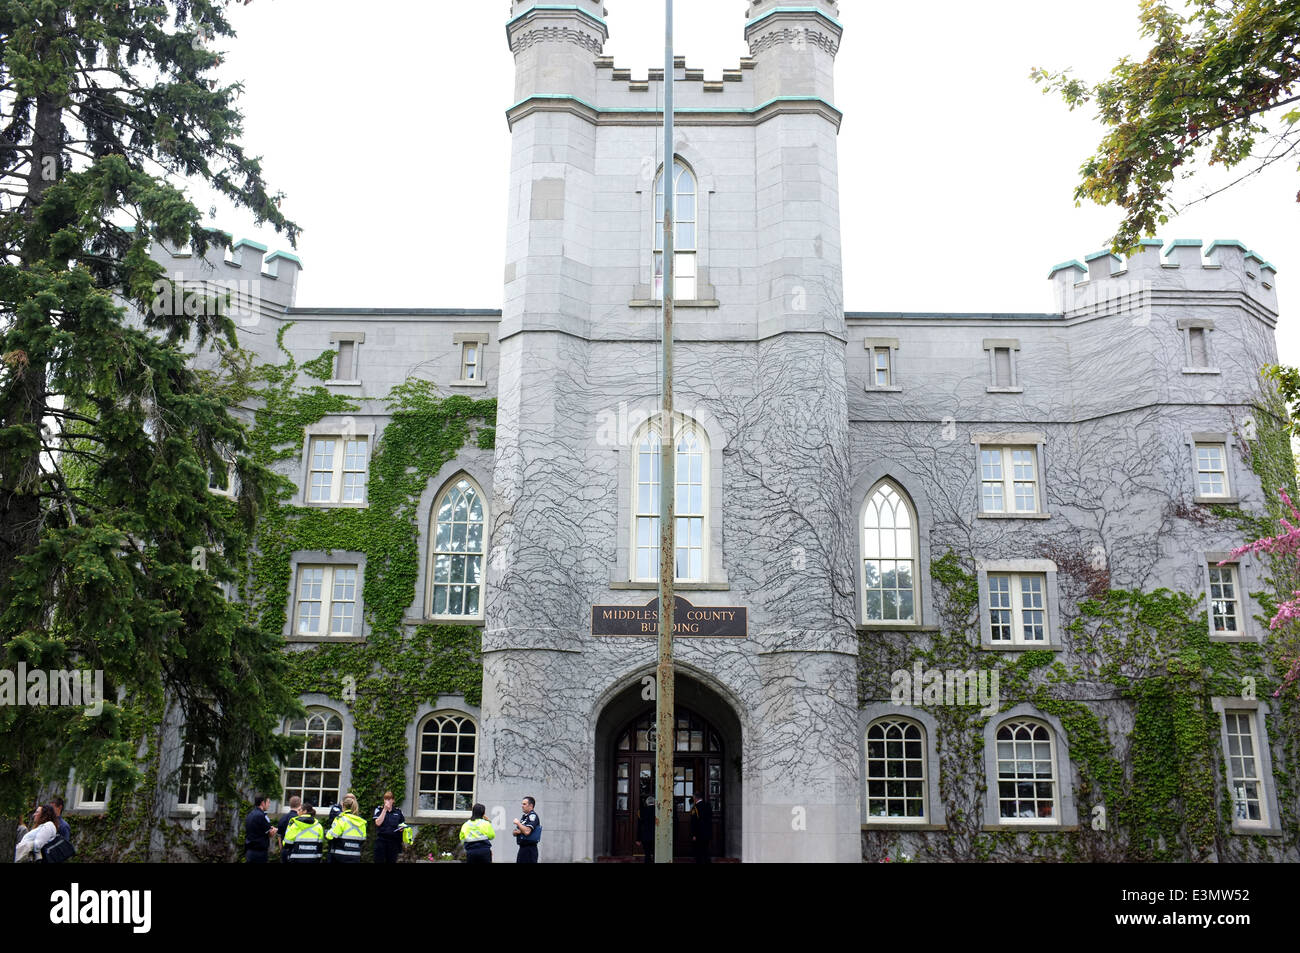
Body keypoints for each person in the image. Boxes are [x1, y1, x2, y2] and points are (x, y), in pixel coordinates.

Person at [325, 793, 367, 863]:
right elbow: (363, 839)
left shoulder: (341, 819)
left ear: (343, 806)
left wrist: (326, 833)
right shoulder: (362, 822)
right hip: (355, 856)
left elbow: (331, 835)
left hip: (340, 855)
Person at [371, 790, 405, 864]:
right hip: (381, 841)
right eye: (385, 799)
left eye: (389, 799)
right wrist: (385, 810)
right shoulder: (379, 810)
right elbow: (378, 823)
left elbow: (402, 824)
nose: (387, 801)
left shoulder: (398, 811)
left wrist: (401, 829)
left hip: (393, 842)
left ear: (393, 800)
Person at [244, 794, 273, 863]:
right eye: (268, 802)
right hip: (259, 853)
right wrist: (274, 830)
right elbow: (270, 833)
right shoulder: (261, 815)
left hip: (249, 851)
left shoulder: (250, 814)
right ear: (263, 803)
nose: (269, 805)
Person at [512, 795, 540, 863]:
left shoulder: (533, 816)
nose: (522, 806)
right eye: (522, 804)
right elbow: (515, 832)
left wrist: (518, 823)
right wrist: (521, 830)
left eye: (524, 804)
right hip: (522, 848)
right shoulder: (524, 817)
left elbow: (527, 831)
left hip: (529, 850)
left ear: (531, 806)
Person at [275, 795, 300, 860]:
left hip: (285, 850)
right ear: (300, 805)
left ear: (290, 804)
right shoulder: (299, 819)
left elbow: (279, 836)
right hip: (297, 850)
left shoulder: (283, 818)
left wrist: (282, 849)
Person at [690, 794, 712, 863]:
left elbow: (694, 822)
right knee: (706, 849)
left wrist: (694, 834)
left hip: (699, 833)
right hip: (707, 832)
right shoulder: (708, 805)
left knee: (698, 851)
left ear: (695, 798)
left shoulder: (695, 807)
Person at [636, 796, 655, 864]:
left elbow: (639, 826)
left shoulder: (641, 811)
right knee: (656, 854)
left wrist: (638, 839)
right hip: (656, 836)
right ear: (654, 802)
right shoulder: (658, 810)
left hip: (645, 836)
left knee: (647, 855)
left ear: (646, 803)